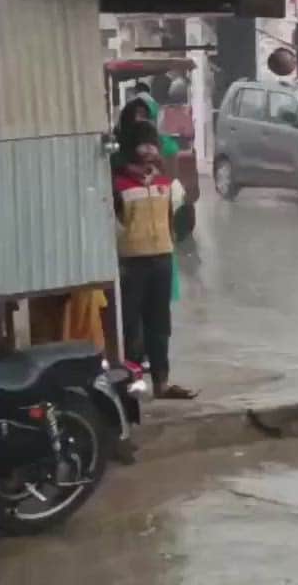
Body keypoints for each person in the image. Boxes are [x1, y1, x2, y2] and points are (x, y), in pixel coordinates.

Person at [112, 121, 197, 399]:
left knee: (160, 326)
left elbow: (181, 219)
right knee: (129, 327)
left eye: (153, 145)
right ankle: (130, 385)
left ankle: (162, 382)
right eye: (143, 145)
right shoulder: (117, 183)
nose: (149, 151)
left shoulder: (165, 182)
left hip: (161, 259)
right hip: (130, 263)